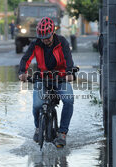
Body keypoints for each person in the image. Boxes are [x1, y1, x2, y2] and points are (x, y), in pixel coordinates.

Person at [18, 17, 75, 147]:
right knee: (37, 105)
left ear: (53, 33)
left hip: (60, 77)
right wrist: (22, 72)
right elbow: (26, 59)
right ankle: (38, 128)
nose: (45, 40)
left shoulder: (62, 42)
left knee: (69, 100)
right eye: (42, 37)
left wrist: (69, 73)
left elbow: (68, 60)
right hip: (42, 78)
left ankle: (62, 133)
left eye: (47, 37)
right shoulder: (36, 44)